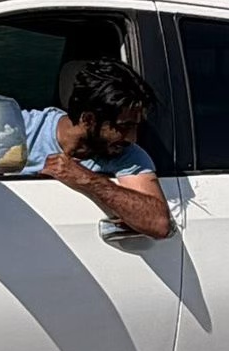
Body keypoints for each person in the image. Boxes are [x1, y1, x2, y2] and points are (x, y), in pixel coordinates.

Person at [24, 58, 174, 238]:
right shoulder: (24, 130)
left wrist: (86, 179)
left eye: (136, 126)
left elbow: (159, 224)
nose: (132, 138)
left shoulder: (128, 155)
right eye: (123, 126)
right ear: (88, 119)